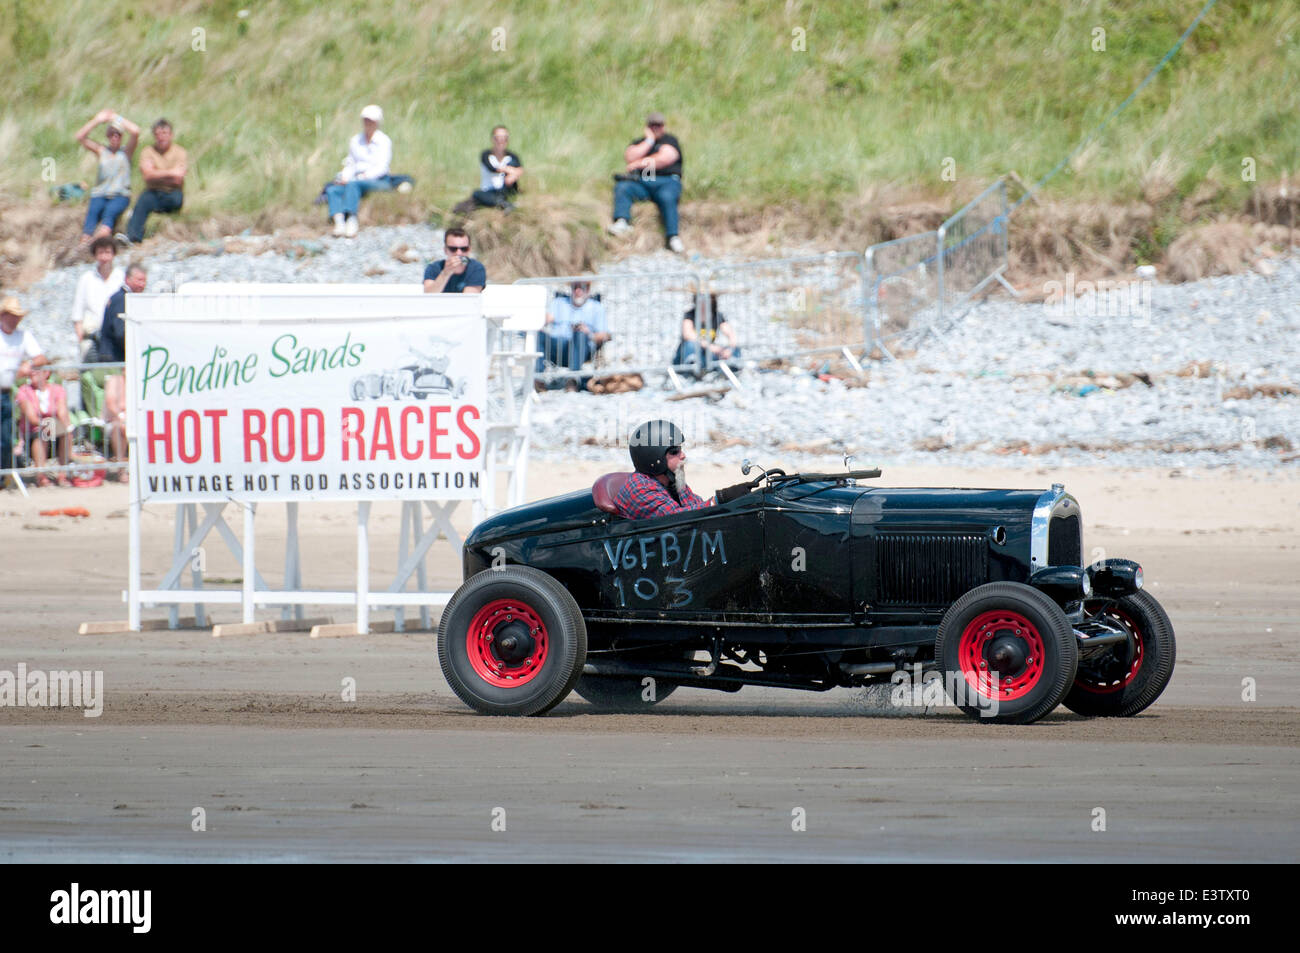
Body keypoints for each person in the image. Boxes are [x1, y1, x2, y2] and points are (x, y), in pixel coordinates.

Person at [613, 419, 754, 519]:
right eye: (674, 451)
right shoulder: (640, 489)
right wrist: (718, 499)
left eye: (680, 449)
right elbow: (677, 518)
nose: (683, 455)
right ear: (654, 458)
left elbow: (694, 505)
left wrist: (733, 500)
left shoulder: (672, 478)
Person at [608, 111, 685, 253]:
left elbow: (665, 158)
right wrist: (648, 141)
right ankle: (622, 221)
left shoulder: (670, 140)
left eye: (659, 125)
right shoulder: (640, 142)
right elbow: (629, 156)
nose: (656, 128)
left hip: (666, 181)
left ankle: (673, 236)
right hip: (642, 182)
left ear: (664, 126)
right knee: (623, 187)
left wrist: (638, 164)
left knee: (667, 198)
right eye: (653, 125)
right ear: (648, 127)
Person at [95, 263, 146, 476]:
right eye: (139, 280)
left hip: (121, 361)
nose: (143, 284)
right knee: (117, 415)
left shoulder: (126, 298)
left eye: (144, 280)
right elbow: (119, 331)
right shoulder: (120, 299)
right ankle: (122, 466)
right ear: (128, 279)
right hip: (115, 359)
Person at [324, 105, 393, 238]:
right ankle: (339, 221)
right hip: (356, 178)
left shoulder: (383, 141)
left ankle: (351, 218)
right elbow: (351, 163)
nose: (368, 124)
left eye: (371, 121)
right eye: (366, 120)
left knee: (353, 184)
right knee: (333, 190)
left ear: (377, 122)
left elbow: (382, 167)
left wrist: (364, 177)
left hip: (378, 179)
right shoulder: (356, 140)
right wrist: (345, 176)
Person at [74, 109, 140, 245]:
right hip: (100, 194)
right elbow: (80, 137)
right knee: (90, 219)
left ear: (121, 136)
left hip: (120, 194)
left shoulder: (126, 153)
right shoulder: (102, 151)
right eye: (111, 134)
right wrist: (97, 120)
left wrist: (115, 117)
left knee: (109, 215)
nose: (114, 137)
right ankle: (86, 242)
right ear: (107, 136)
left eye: (118, 134)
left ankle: (100, 240)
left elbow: (135, 131)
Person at [1, 297, 46, 475]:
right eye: (11, 315)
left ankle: (3, 475)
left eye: (17, 316)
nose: (14, 319)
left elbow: (41, 357)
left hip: (6, 393)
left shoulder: (23, 336)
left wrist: (29, 365)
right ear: (2, 316)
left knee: (5, 438)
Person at [125, 118, 187, 244]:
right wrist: (170, 172)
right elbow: (147, 176)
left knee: (176, 200)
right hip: (153, 192)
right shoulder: (148, 151)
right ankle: (133, 238)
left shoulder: (180, 152)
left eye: (164, 133)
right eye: (158, 134)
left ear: (171, 135)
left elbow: (178, 179)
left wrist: (156, 173)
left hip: (172, 193)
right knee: (142, 202)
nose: (161, 137)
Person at [15, 365, 72, 486]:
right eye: (32, 370)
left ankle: (63, 474)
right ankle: (41, 476)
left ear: (46, 373)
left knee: (66, 433)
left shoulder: (58, 389)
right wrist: (47, 424)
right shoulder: (24, 390)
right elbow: (32, 418)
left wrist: (67, 427)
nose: (32, 373)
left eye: (37, 370)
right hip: (32, 431)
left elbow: (62, 412)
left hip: (53, 428)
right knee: (43, 432)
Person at [71, 235, 125, 362]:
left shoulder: (121, 277)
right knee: (90, 375)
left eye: (108, 252)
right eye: (100, 253)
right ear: (95, 255)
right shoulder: (87, 279)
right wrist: (81, 339)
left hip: (115, 338)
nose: (104, 257)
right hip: (91, 337)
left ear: (113, 254)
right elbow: (77, 312)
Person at [537, 281, 611, 374]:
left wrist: (588, 333)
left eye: (582, 288)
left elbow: (606, 335)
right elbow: (544, 320)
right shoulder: (559, 302)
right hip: (557, 346)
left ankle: (573, 379)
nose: (578, 291)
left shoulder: (596, 307)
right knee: (537, 335)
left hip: (582, 348)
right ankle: (537, 378)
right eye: (575, 287)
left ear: (588, 290)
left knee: (580, 335)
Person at [454, 126, 523, 214]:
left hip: (505, 189)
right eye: (498, 138)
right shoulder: (486, 155)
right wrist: (509, 170)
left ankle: (503, 202)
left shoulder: (512, 156)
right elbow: (492, 168)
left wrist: (513, 175)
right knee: (477, 193)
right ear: (493, 139)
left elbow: (520, 169)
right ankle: (503, 204)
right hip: (489, 191)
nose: (501, 141)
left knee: (512, 167)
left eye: (504, 138)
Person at [674, 293, 741, 372]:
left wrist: (730, 348)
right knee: (691, 344)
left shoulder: (717, 315)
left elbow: (730, 334)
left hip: (707, 353)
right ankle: (692, 366)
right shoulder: (690, 314)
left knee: (734, 349)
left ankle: (731, 365)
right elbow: (688, 334)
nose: (703, 303)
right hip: (688, 353)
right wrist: (710, 346)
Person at [423, 229, 486, 294]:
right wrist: (445, 273)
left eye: (464, 249)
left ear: (469, 249)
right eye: (453, 249)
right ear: (445, 250)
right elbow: (429, 295)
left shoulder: (476, 268)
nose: (459, 253)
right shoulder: (434, 268)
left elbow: (469, 299)